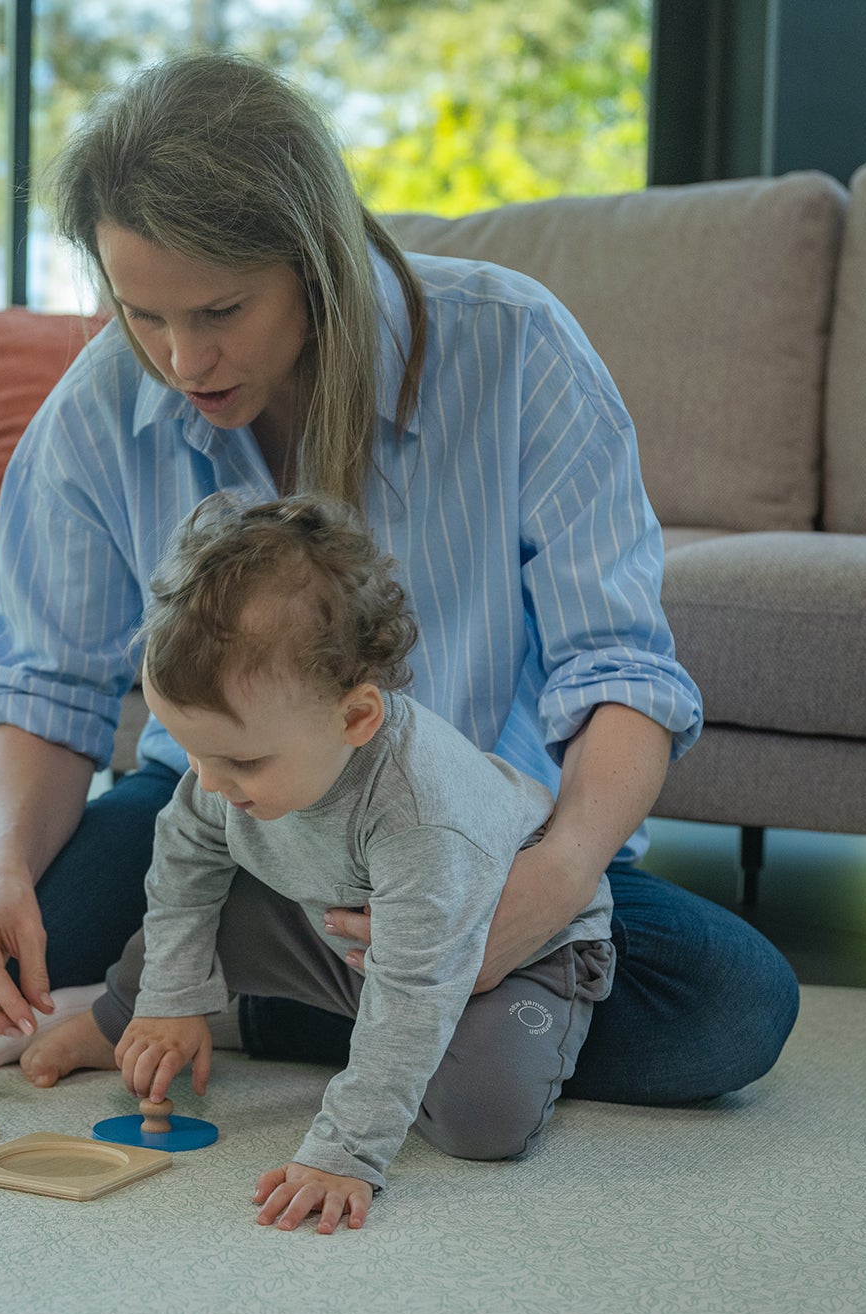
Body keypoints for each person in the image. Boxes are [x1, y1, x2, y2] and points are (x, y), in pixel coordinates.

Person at [0, 50, 797, 1119]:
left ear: (312, 258)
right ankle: (311, 985)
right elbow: (45, 686)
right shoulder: (98, 406)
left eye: (219, 310)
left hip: (460, 823)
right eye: (142, 315)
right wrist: (3, 873)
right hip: (215, 805)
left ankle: (244, 997)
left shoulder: (516, 347)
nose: (180, 361)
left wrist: (555, 880)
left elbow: (617, 668)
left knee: (729, 1009)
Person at [112, 490, 613, 1234]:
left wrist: (343, 1152)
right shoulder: (229, 771)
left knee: (483, 1120)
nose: (209, 784)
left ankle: (305, 1035)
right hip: (347, 929)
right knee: (158, 958)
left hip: (504, 951)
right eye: (192, 751)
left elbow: (416, 984)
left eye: (239, 761)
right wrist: (168, 999)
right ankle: (162, 1015)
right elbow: (183, 866)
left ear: (356, 718)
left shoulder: (418, 813)